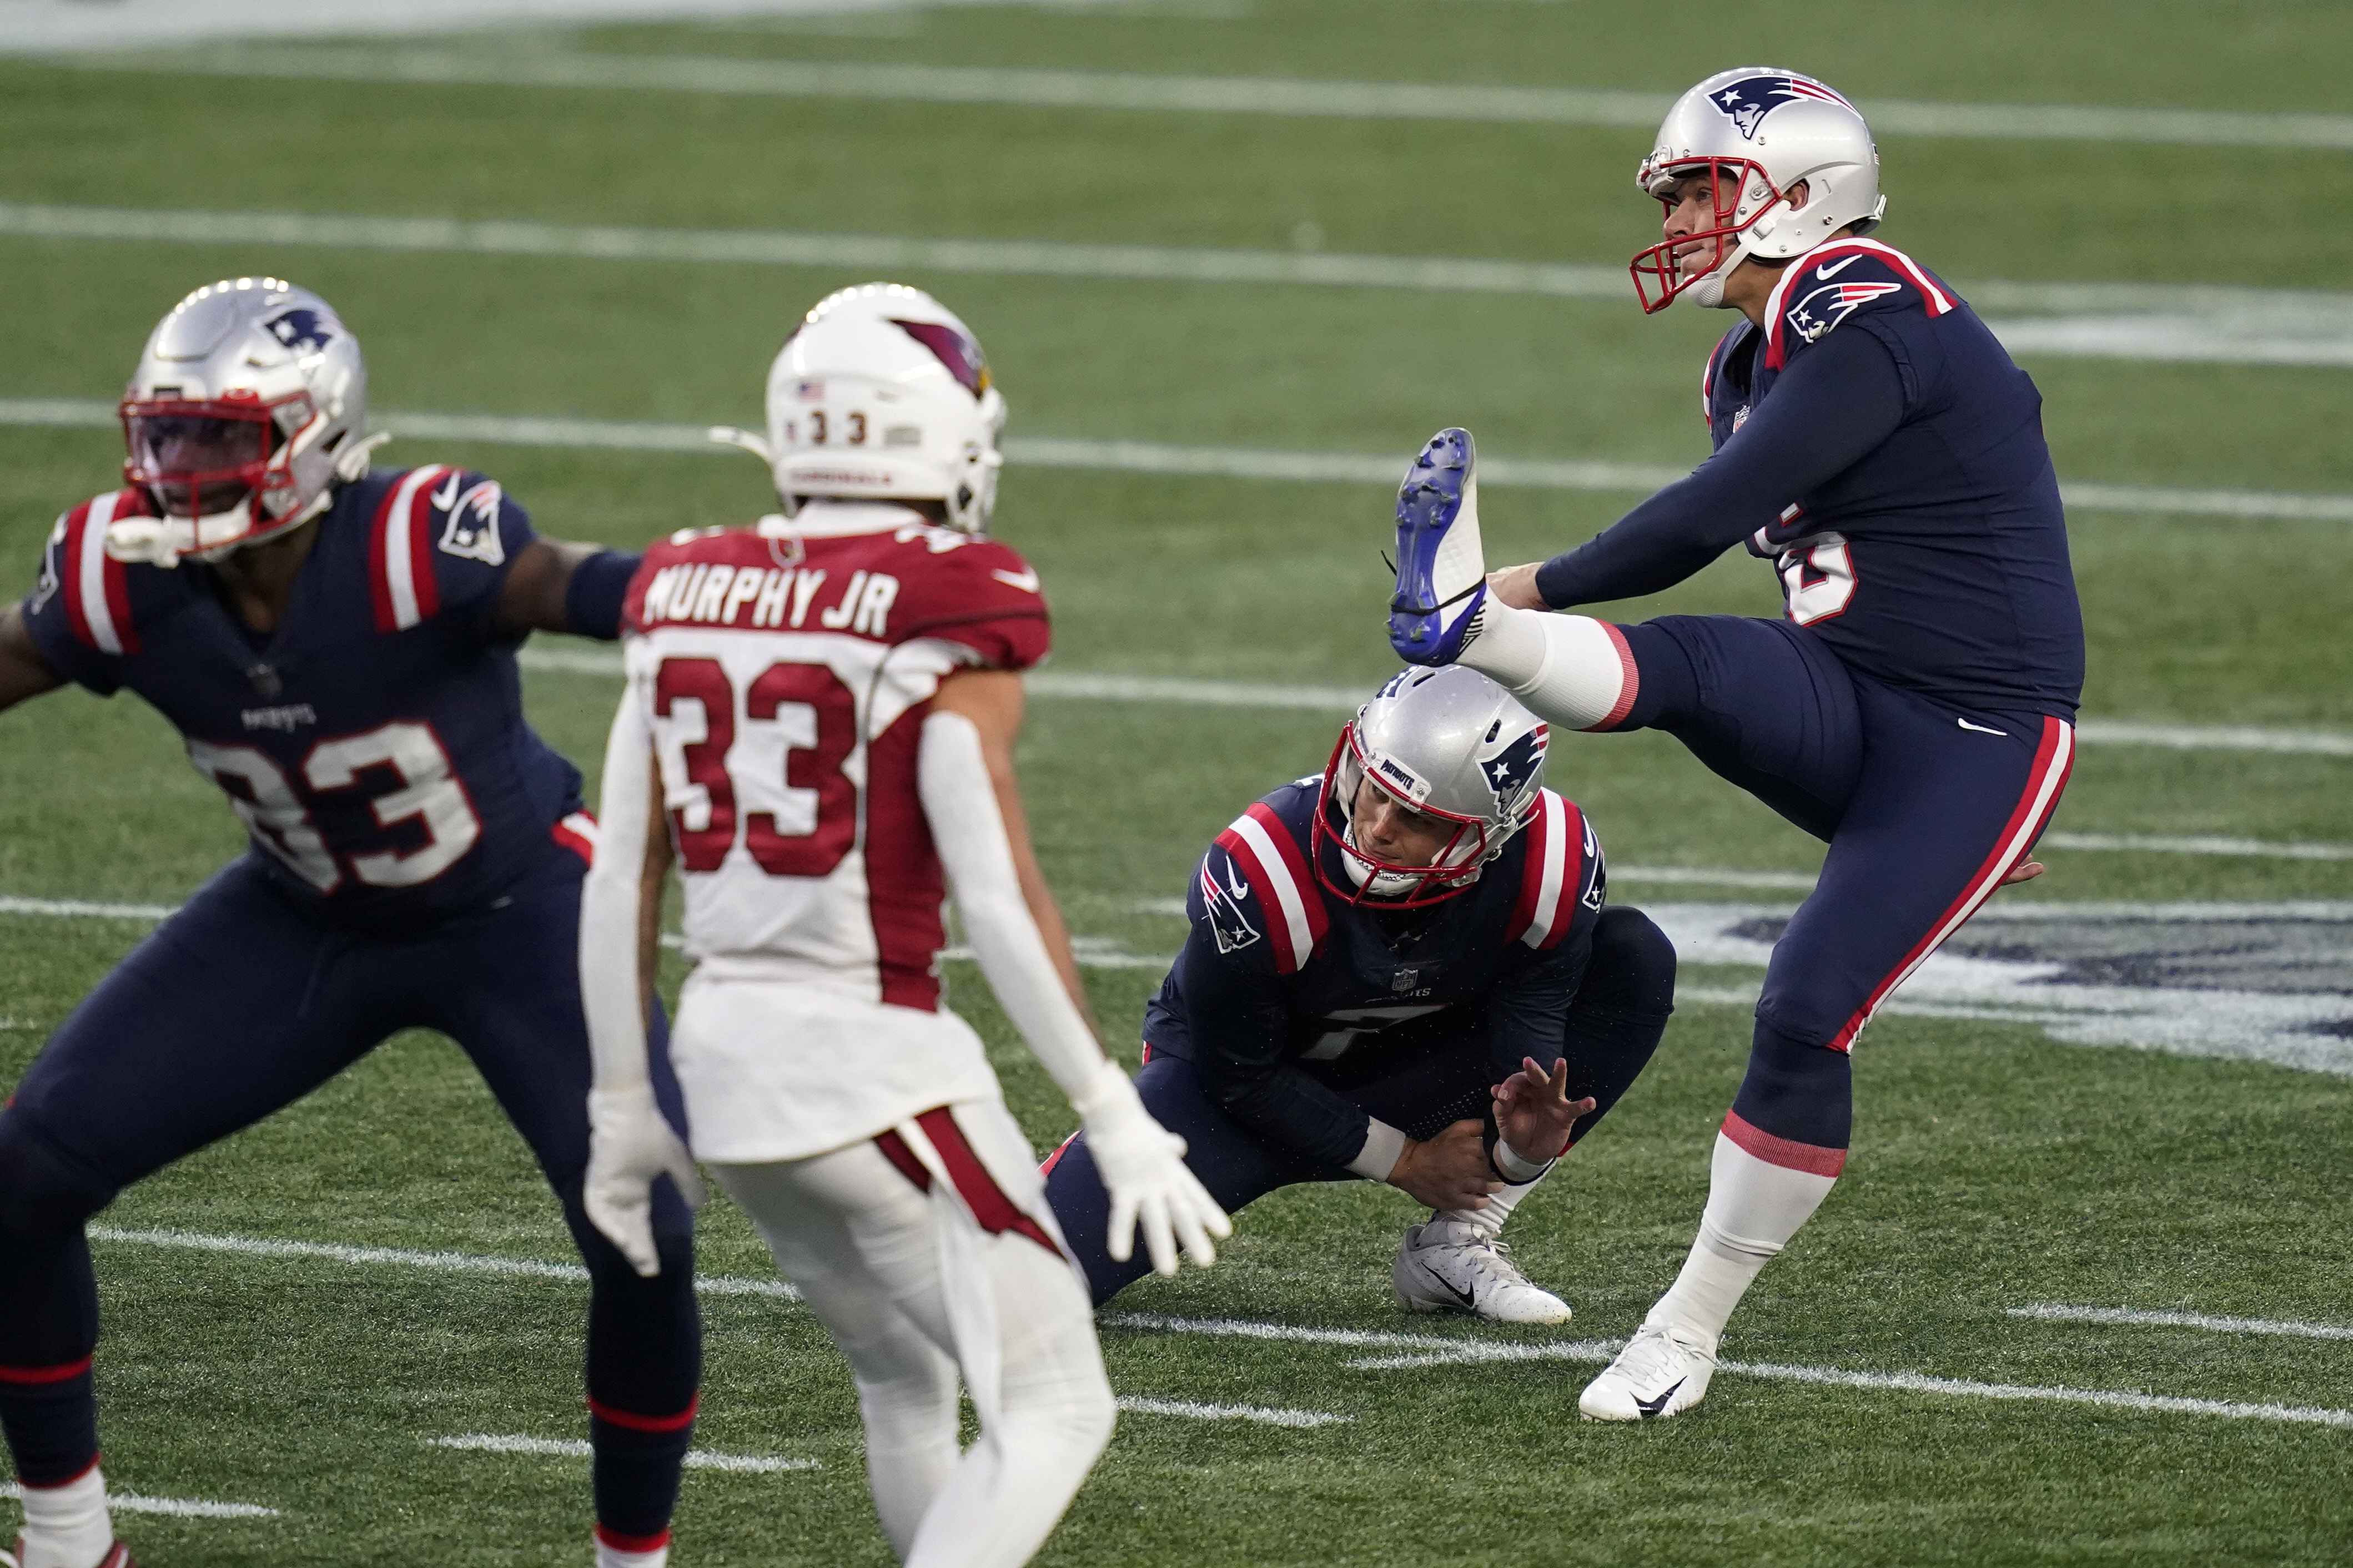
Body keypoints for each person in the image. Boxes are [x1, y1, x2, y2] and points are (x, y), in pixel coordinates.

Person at [1385, 68, 2082, 1419]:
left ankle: (1684, 1328)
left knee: (1803, 1007)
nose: (1687, 215)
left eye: (1706, 186)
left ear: (1796, 192)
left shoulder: (1860, 292)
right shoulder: (1742, 355)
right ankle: (1458, 629)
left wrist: (1539, 581)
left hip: (1976, 728)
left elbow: (1716, 510)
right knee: (1695, 664)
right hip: (1849, 681)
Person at [0, 278, 700, 1568]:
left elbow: (579, 583)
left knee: (643, 1228)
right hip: (303, 911)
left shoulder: (416, 538)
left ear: (316, 437)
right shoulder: (116, 574)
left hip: (517, 912)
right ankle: (66, 1536)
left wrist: (726, 590)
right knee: (25, 1171)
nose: (179, 469)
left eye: (219, 436)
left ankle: (633, 1561)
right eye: (164, 434)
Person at [576, 283, 1229, 1568]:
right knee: (1057, 1401)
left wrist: (621, 1103)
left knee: (904, 1383)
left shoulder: (681, 584)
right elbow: (990, 892)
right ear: (933, 430)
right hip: (870, 1070)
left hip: (718, 1066)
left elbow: (618, 877)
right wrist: (1110, 1112)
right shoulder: (949, 595)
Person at [1043, 665, 1675, 1321]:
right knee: (1030, 1285)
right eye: (1373, 790)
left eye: (1417, 818)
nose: (1376, 826)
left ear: (1487, 836)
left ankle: (1457, 1238)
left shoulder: (1550, 863)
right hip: (1225, 1098)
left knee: (1631, 958)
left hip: (1407, 1073)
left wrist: (1519, 1148)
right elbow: (1236, 1069)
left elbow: (1530, 1026)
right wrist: (1402, 1158)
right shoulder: (1263, 864)